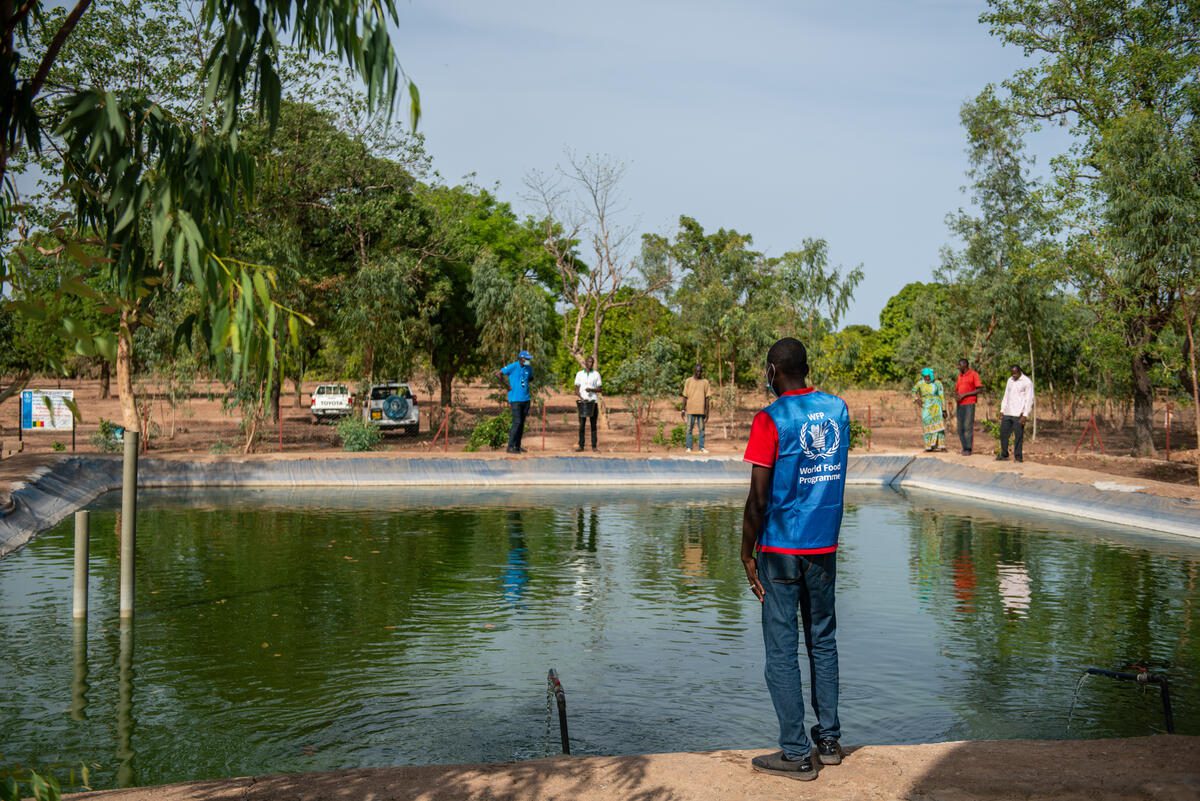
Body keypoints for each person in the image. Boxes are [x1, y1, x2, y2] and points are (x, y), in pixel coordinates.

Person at [741, 337, 849, 782]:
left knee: (781, 652)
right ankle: (829, 741)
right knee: (822, 641)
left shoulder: (770, 419)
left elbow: (759, 497)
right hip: (824, 548)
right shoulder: (838, 410)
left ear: (772, 371)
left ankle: (795, 753)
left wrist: (745, 552)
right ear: (806, 367)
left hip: (782, 550)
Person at [497, 350, 533, 454]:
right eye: (527, 359)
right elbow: (498, 374)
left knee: (521, 423)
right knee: (517, 422)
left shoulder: (529, 368)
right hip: (515, 399)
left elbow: (530, 378)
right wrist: (507, 386)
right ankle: (510, 446)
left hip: (526, 399)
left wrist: (523, 383)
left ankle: (517, 446)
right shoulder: (513, 366)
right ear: (521, 359)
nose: (528, 360)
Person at [998, 364, 1034, 462]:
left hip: (1019, 414)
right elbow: (1006, 395)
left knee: (1018, 436)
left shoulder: (1027, 382)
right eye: (1012, 373)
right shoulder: (1010, 380)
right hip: (1008, 412)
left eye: (1015, 373)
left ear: (1020, 371)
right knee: (1003, 434)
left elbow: (1029, 399)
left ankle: (1018, 457)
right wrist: (1002, 410)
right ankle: (1004, 454)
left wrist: (1025, 414)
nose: (1013, 375)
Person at [911, 367, 947, 452]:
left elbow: (942, 396)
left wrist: (944, 409)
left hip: (936, 407)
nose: (927, 378)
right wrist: (917, 399)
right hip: (926, 407)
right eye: (925, 376)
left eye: (928, 376)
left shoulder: (938, 383)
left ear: (931, 375)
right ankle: (928, 446)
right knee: (926, 424)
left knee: (939, 426)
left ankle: (941, 446)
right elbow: (913, 391)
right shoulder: (920, 383)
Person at [954, 358, 983, 456]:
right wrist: (957, 396)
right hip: (960, 404)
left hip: (969, 403)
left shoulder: (974, 374)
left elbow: (979, 389)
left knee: (967, 426)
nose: (958, 367)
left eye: (960, 365)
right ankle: (964, 447)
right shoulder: (960, 376)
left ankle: (968, 448)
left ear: (965, 365)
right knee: (959, 427)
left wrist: (965, 395)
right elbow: (957, 389)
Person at [681, 363, 712, 453]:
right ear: (694, 371)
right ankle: (689, 447)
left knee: (702, 429)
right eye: (697, 371)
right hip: (690, 409)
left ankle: (701, 447)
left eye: (700, 371)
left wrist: (707, 412)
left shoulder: (705, 382)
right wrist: (683, 409)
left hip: (701, 410)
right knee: (689, 429)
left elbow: (707, 398)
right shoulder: (688, 381)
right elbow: (684, 396)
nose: (699, 373)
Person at [573, 356, 602, 452]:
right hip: (583, 403)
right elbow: (576, 390)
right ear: (585, 363)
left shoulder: (596, 374)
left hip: (593, 402)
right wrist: (581, 397)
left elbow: (600, 389)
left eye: (592, 362)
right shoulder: (579, 374)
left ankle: (594, 446)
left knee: (593, 425)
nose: (590, 364)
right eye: (589, 362)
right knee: (582, 425)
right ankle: (581, 445)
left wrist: (591, 389)